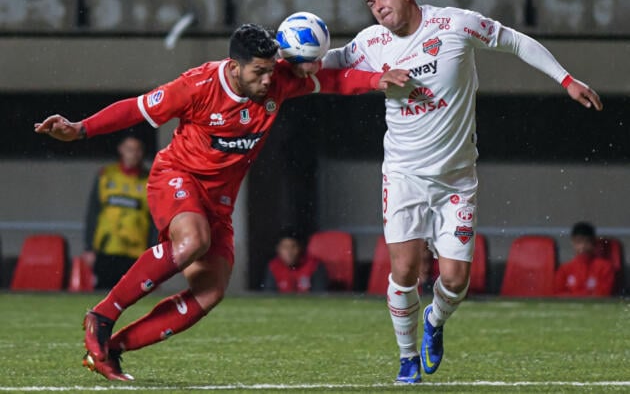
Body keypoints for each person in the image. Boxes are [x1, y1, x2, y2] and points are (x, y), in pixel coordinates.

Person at [34, 23, 409, 381]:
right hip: (176, 178)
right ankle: (102, 315)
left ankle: (110, 350)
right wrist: (80, 128)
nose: (267, 80)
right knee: (192, 241)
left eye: (270, 71)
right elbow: (136, 108)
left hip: (219, 202)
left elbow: (331, 80)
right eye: (259, 72)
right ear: (234, 67)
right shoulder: (196, 86)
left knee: (210, 291)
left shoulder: (275, 82)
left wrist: (376, 80)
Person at [319, 0, 603, 383]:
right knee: (404, 272)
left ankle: (435, 320)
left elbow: (515, 42)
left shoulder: (455, 25)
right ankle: (407, 358)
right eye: (369, 3)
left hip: (456, 178)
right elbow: (332, 64)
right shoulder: (371, 43)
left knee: (454, 280)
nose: (377, 7)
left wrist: (565, 79)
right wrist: (297, 59)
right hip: (403, 176)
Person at [84, 134, 157, 290]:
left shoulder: (150, 180)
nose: (133, 154)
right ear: (121, 150)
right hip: (107, 249)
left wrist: (152, 253)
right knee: (102, 296)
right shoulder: (106, 175)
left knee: (131, 296)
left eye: (137, 150)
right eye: (129, 149)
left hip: (136, 253)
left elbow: (155, 222)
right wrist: (89, 248)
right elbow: (93, 212)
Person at [554, 222, 615, 297]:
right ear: (573, 243)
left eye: (587, 241)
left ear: (593, 243)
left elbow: (603, 293)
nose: (582, 246)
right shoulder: (564, 270)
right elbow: (558, 295)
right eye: (579, 242)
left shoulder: (605, 267)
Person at [263, 229, 328, 293]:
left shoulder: (313, 265)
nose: (289, 252)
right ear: (278, 249)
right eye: (284, 247)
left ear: (300, 247)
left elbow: (320, 295)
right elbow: (269, 295)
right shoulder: (274, 266)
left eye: (293, 247)